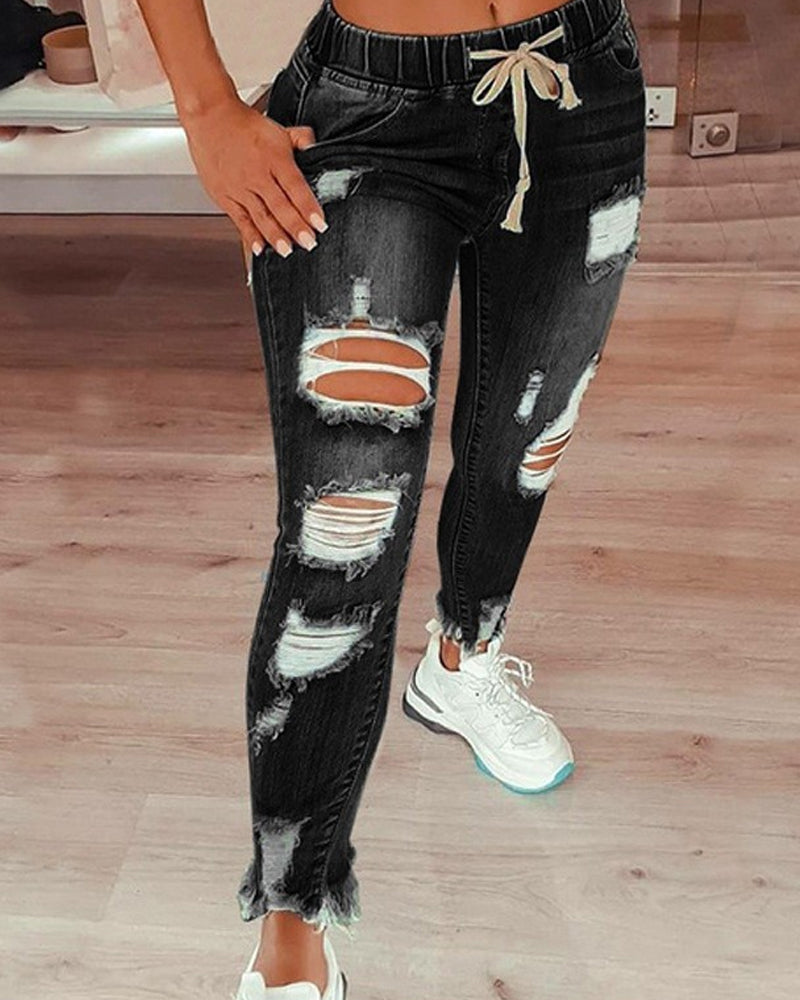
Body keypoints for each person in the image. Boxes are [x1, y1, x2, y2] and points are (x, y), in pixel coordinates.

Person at [135, 0, 647, 996]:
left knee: (524, 442)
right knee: (343, 529)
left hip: (584, 82)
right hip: (370, 110)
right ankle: (293, 912)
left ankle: (461, 659)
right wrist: (203, 108)